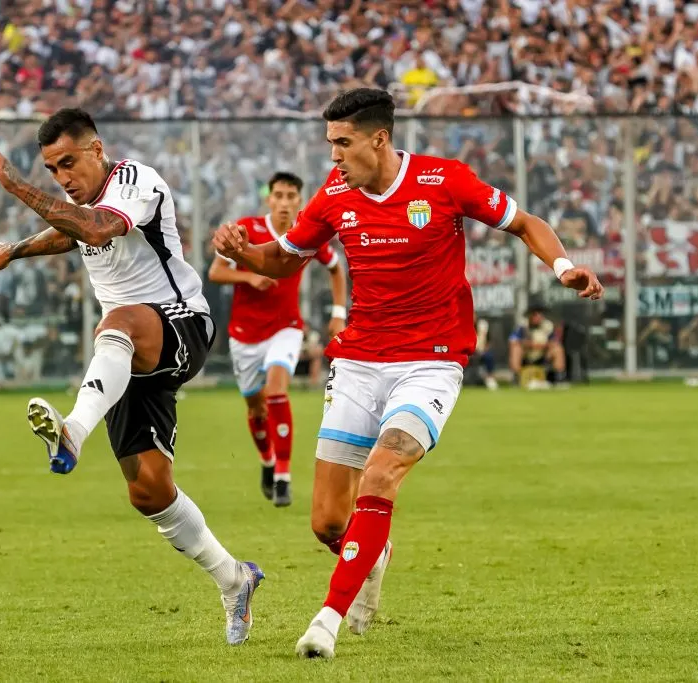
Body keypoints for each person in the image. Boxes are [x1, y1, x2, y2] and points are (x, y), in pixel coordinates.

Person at [213, 88, 604, 659]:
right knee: (326, 523)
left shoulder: (443, 181)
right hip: (358, 363)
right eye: (329, 144)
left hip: (431, 361)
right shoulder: (335, 195)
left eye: (342, 143)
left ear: (379, 138)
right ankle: (372, 550)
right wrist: (244, 253)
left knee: (381, 474)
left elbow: (525, 223)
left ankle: (327, 619)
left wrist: (563, 266)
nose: (333, 157)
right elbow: (284, 258)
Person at [0, 108, 263, 646]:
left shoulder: (135, 181)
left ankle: (72, 433)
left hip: (181, 326)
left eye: (68, 163)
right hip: (127, 356)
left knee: (118, 319)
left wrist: (15, 184)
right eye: (52, 169)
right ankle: (235, 578)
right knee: (149, 492)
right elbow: (69, 235)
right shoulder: (82, 202)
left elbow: (97, 228)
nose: (62, 177)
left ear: (96, 149)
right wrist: (14, 251)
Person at [207, 171, 348, 507]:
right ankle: (268, 461)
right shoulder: (247, 229)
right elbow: (215, 272)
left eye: (291, 197)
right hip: (244, 335)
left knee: (276, 389)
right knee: (256, 408)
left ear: (300, 200)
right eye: (279, 196)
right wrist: (250, 276)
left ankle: (283, 476)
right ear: (268, 199)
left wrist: (339, 312)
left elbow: (335, 266)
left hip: (286, 327)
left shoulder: (307, 233)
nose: (284, 203)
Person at [508, 305, 565, 388]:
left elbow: (554, 342)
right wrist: (530, 344)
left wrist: (543, 346)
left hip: (543, 355)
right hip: (527, 355)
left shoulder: (547, 326)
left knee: (558, 349)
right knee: (516, 349)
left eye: (540, 314)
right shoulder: (523, 326)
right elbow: (513, 341)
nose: (538, 317)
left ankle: (559, 378)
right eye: (535, 315)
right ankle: (517, 378)